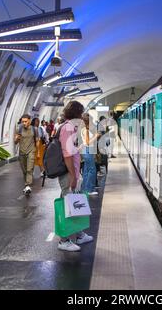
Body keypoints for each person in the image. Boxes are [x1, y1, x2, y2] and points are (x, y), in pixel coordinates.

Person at [57, 101, 93, 252]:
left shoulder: (71, 127)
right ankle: (63, 240)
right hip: (68, 173)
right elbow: (67, 155)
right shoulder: (67, 128)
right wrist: (72, 175)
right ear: (76, 113)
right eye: (81, 113)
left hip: (73, 172)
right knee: (67, 205)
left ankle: (79, 234)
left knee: (75, 203)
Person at [14, 114, 40, 195]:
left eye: (25, 121)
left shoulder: (34, 129)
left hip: (31, 151)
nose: (24, 123)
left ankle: (28, 185)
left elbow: (37, 141)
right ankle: (26, 185)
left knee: (29, 169)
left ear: (29, 120)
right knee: (24, 170)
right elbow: (15, 142)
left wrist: (38, 152)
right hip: (22, 152)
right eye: (22, 121)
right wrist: (16, 139)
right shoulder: (19, 129)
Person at [80, 113, 99, 196]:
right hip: (88, 150)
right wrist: (96, 136)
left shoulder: (83, 129)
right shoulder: (86, 130)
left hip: (85, 150)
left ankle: (84, 189)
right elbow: (88, 142)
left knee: (86, 170)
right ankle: (89, 190)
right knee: (92, 170)